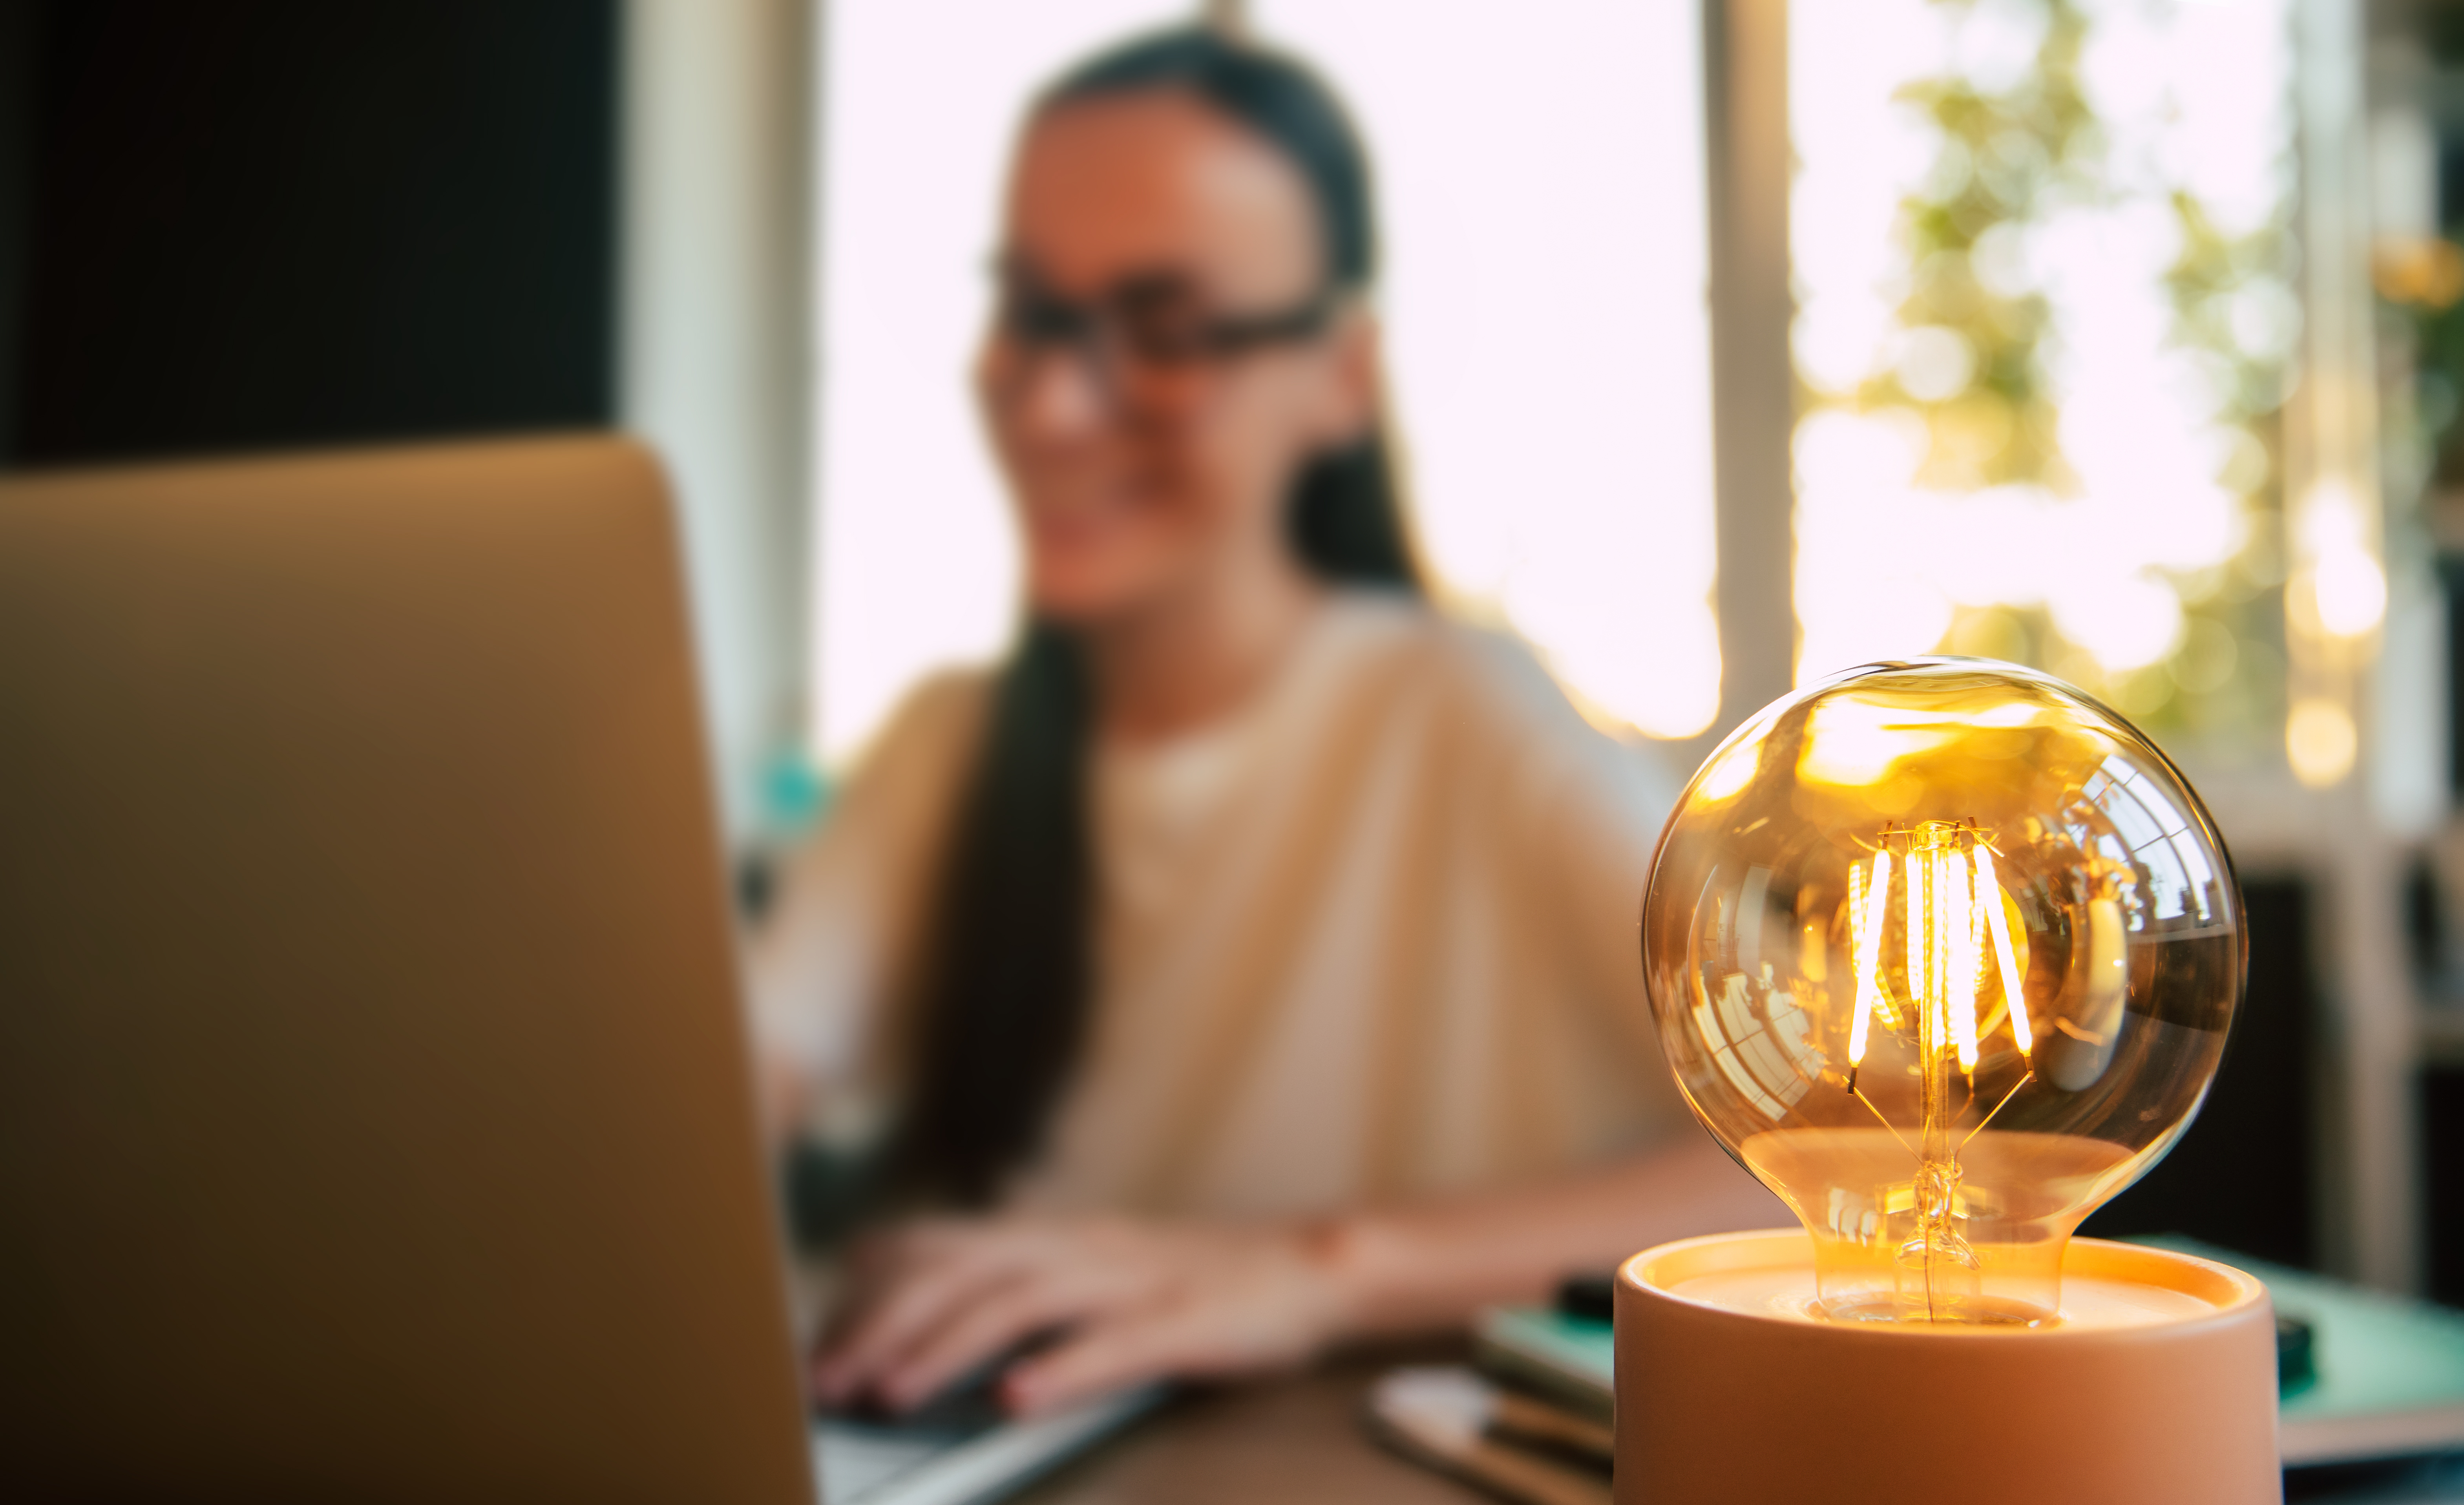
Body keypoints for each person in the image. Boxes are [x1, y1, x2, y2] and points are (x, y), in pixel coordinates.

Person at [753, 25, 1781, 1421]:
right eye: (1032, 311)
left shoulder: (1462, 717)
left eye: (1169, 332)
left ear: (1341, 375)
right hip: (1009, 1438)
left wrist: (1317, 1267)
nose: (1054, 404)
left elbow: (1865, 1154)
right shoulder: (950, 744)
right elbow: (730, 1095)